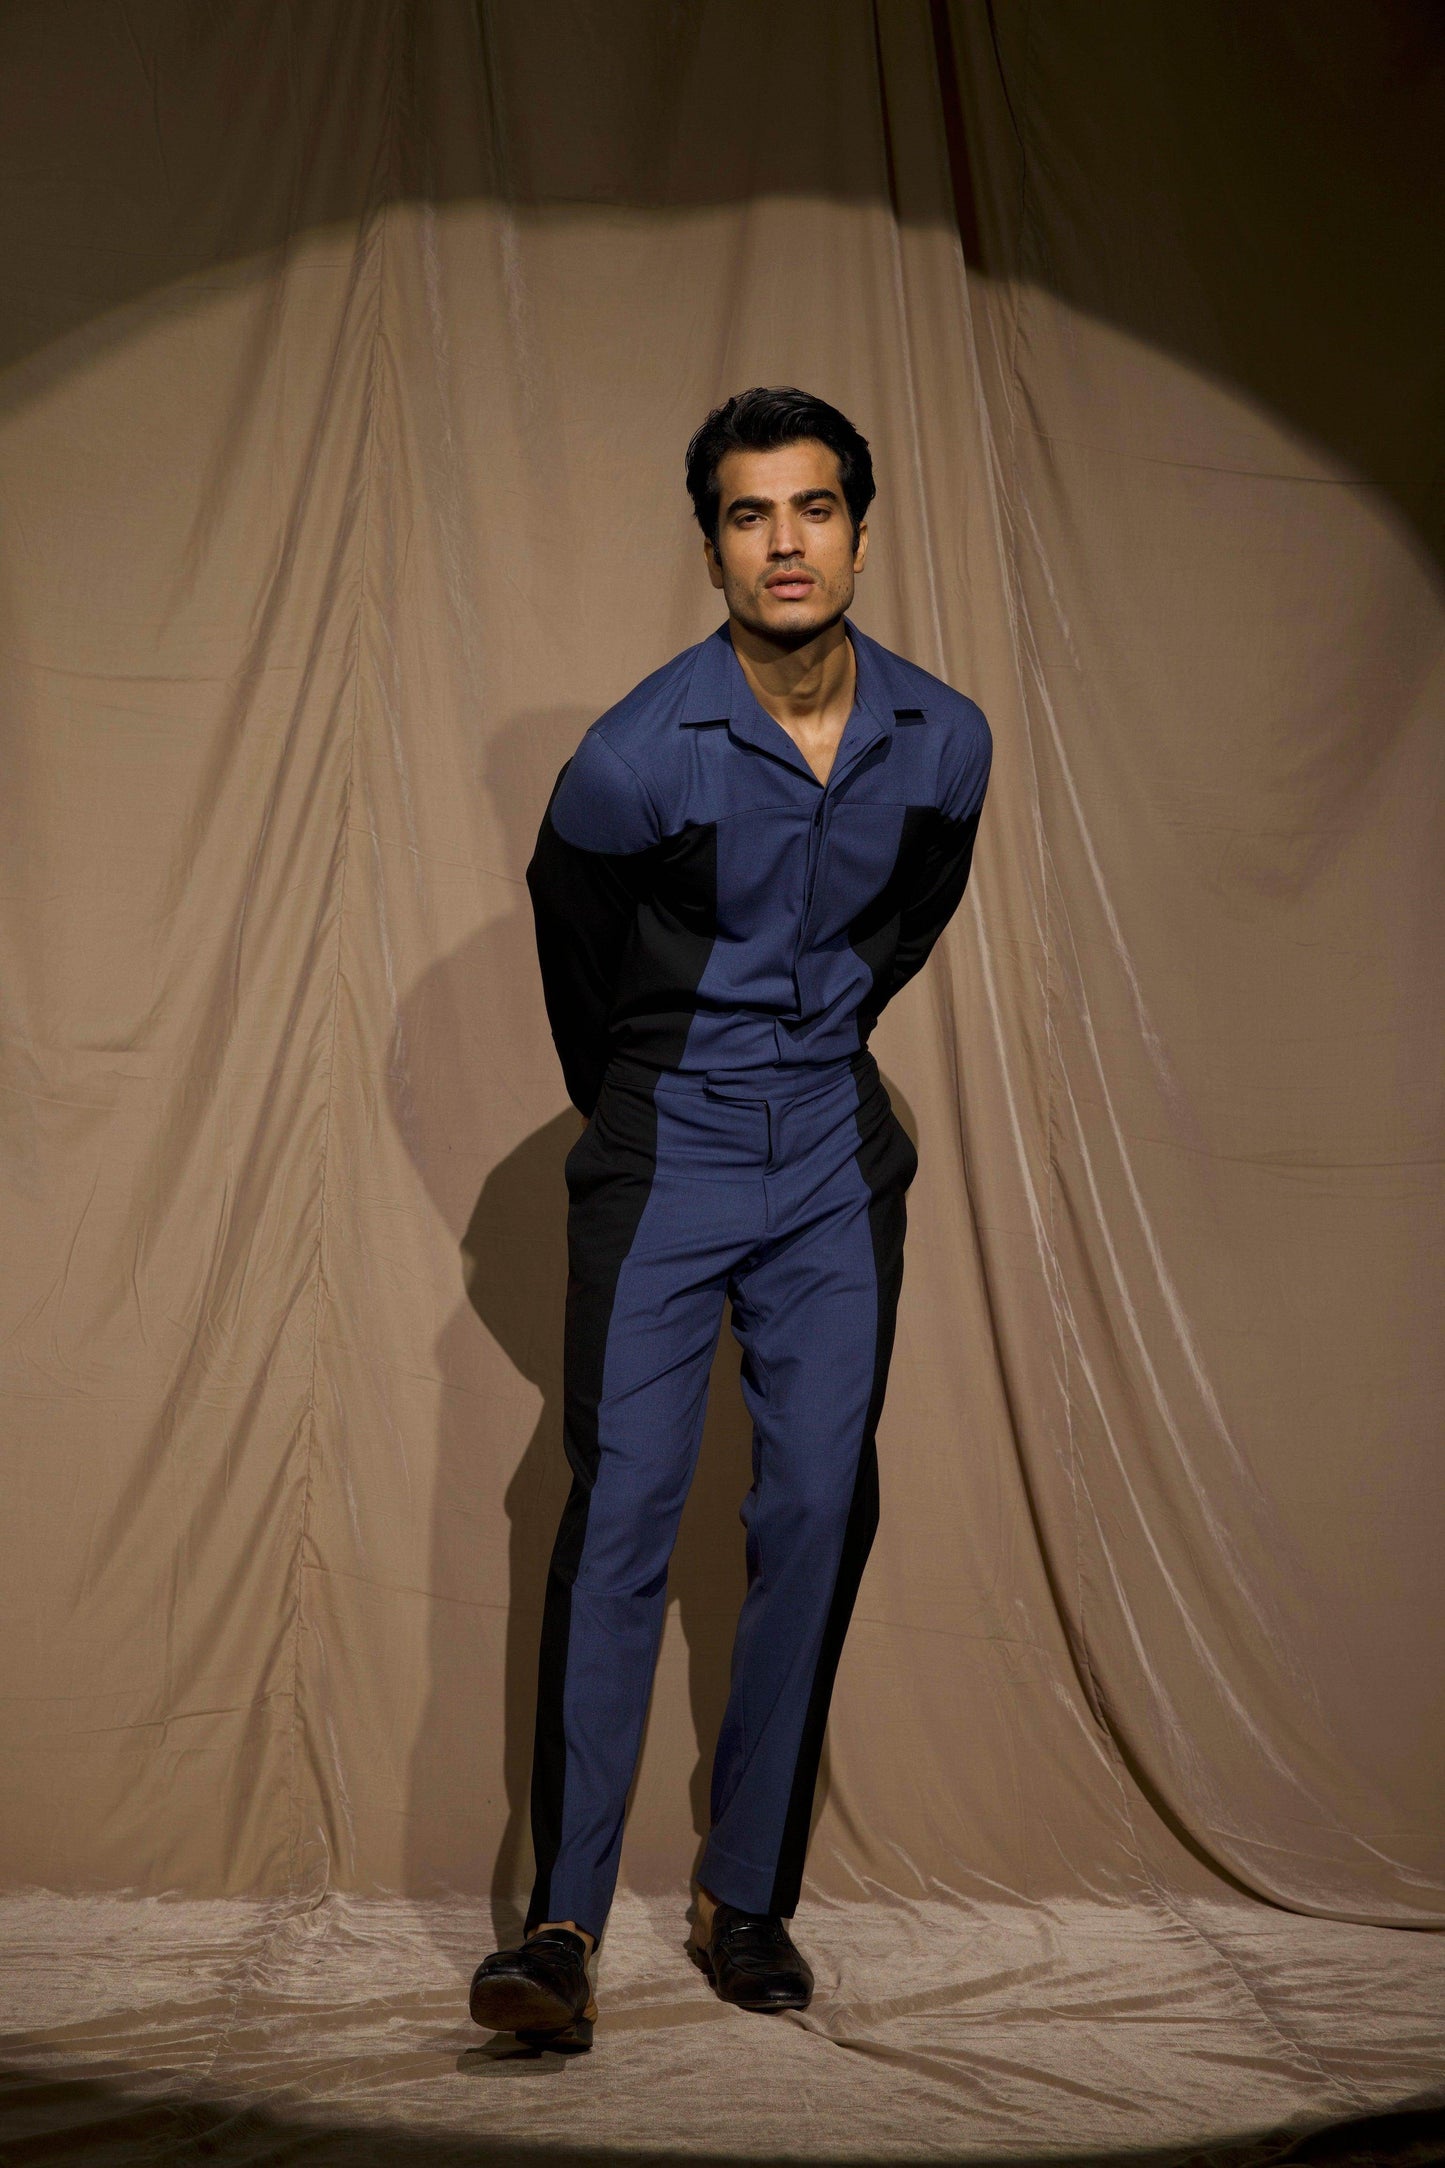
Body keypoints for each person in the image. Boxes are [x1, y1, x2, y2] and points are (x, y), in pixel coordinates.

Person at [469, 386, 991, 2051]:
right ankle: (560, 1926)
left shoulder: (945, 738)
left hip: (831, 1149)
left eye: (813, 507)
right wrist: (656, 1107)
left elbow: (907, 927)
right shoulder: (633, 757)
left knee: (817, 1503)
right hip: (665, 1143)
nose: (785, 542)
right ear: (710, 549)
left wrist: (807, 1048)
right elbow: (580, 970)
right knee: (625, 1503)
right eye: (749, 515)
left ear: (858, 531)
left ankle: (743, 1897)